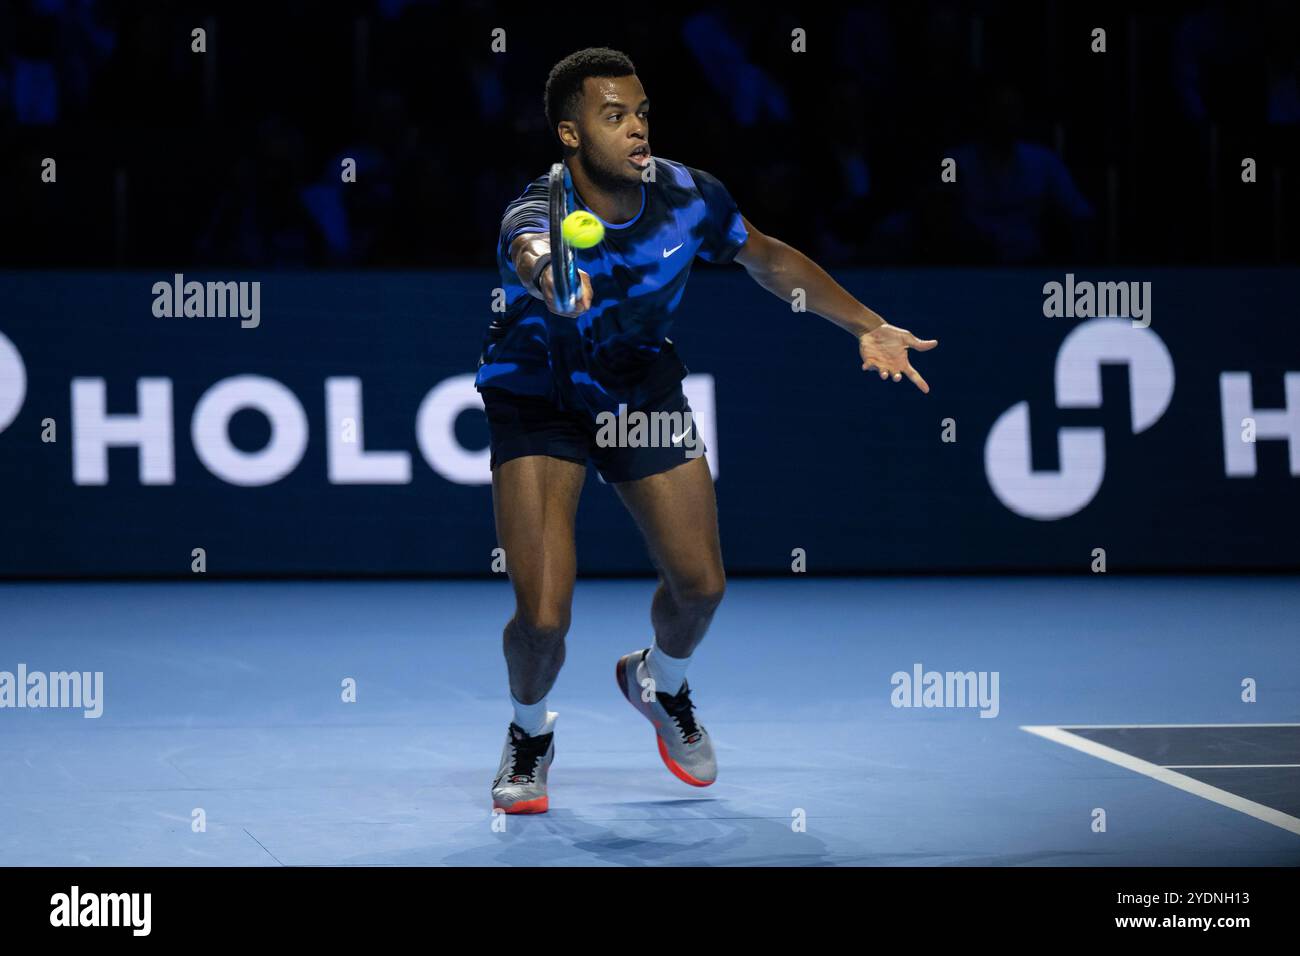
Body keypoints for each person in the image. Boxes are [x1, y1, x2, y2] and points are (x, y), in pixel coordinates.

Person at [477, 48, 937, 813]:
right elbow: (531, 257)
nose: (636, 129)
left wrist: (867, 323)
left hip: (641, 388)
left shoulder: (690, 196)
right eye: (613, 116)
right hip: (540, 399)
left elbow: (768, 259)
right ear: (569, 133)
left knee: (701, 587)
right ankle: (529, 733)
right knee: (544, 618)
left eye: (642, 112)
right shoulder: (534, 214)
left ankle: (661, 679)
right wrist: (555, 280)